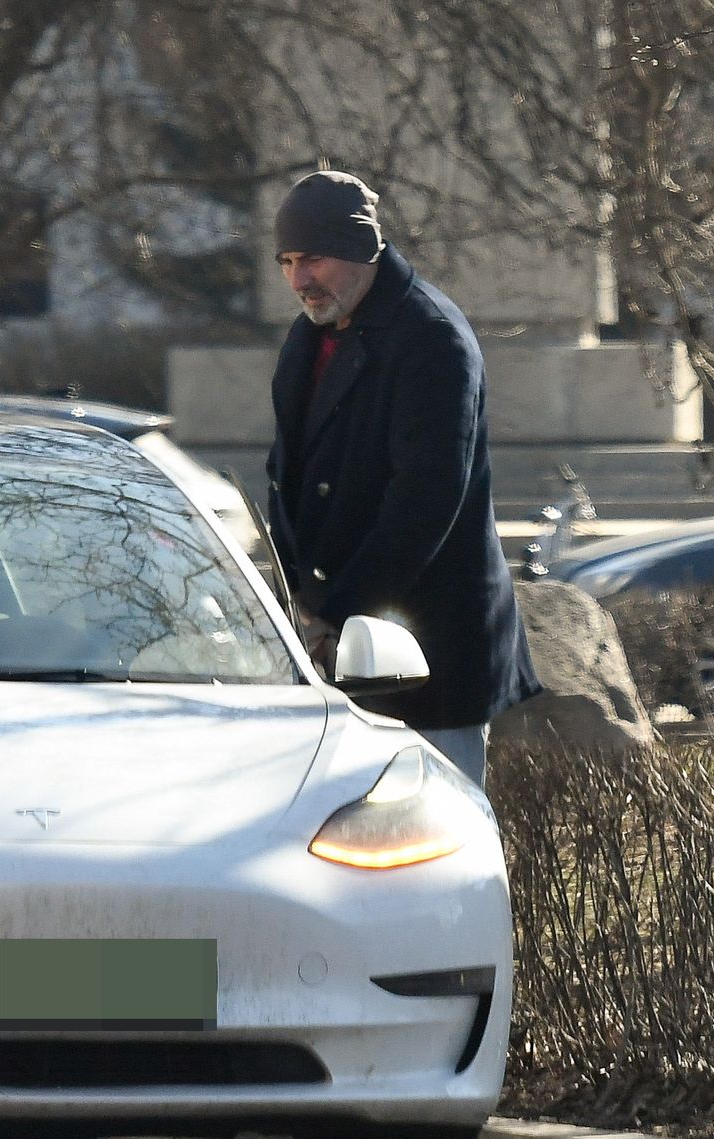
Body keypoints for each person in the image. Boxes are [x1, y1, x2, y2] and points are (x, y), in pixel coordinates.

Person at [263, 169, 539, 786]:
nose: (299, 280)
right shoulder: (310, 334)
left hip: (430, 657)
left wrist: (336, 612)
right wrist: (298, 605)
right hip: (336, 647)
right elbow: (289, 474)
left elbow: (424, 503)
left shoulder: (432, 337)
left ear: (361, 249)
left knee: (440, 831)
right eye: (287, 262)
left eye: (313, 258)